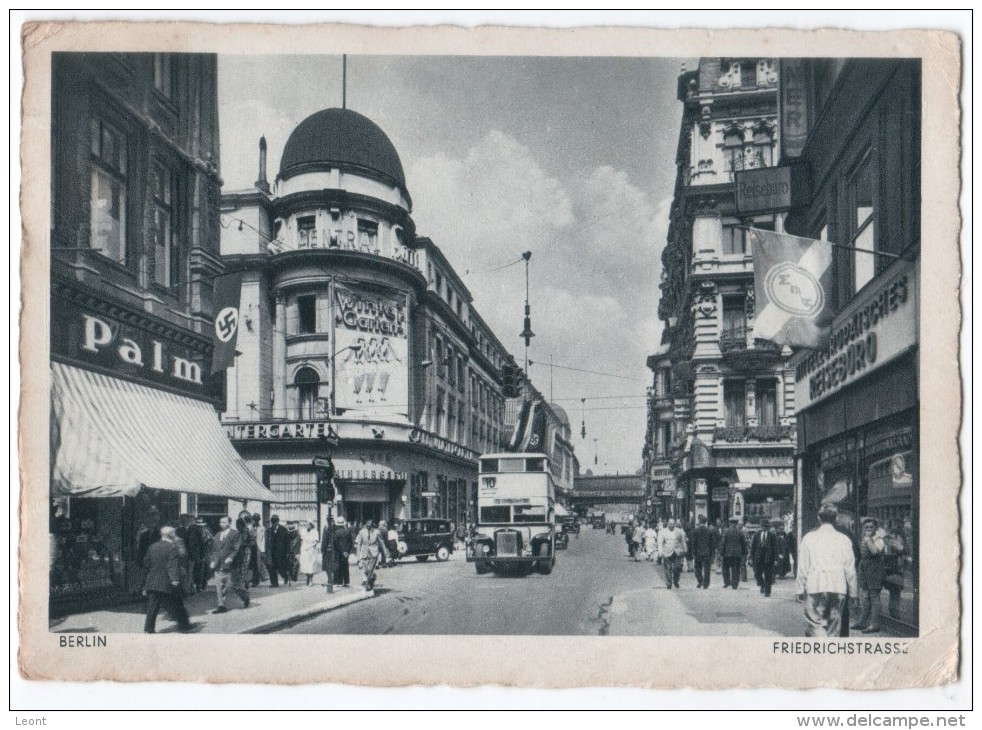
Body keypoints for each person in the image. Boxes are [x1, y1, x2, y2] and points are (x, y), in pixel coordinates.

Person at [796, 505, 859, 637]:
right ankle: (831, 652)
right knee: (834, 625)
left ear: (819, 518)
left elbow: (803, 566)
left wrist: (800, 589)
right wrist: (853, 592)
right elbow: (850, 569)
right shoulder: (844, 539)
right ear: (836, 518)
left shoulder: (809, 538)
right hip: (838, 587)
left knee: (815, 624)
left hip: (815, 586)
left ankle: (821, 652)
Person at [142, 526, 193, 634]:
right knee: (178, 604)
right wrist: (174, 579)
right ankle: (185, 627)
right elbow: (172, 565)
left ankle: (148, 629)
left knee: (153, 606)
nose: (175, 535)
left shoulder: (153, 546)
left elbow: (146, 562)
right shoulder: (172, 548)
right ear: (171, 535)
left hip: (153, 581)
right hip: (167, 581)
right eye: (174, 533)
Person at [851, 517, 887, 633]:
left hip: (875, 569)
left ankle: (874, 624)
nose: (868, 529)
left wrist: (867, 540)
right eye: (866, 527)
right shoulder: (866, 538)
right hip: (865, 568)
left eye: (871, 527)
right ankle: (862, 622)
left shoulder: (879, 539)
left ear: (876, 528)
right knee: (865, 596)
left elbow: (875, 551)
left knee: (874, 597)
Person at [208, 515, 249, 613]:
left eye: (224, 522)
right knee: (219, 585)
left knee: (233, 585)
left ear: (229, 523)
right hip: (219, 564)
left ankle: (245, 597)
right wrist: (213, 561)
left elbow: (236, 548)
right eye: (220, 522)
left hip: (232, 565)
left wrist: (231, 557)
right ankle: (221, 606)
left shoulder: (235, 534)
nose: (221, 524)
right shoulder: (217, 535)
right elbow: (214, 550)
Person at [355, 519, 391, 591]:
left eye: (370, 525)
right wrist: (358, 556)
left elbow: (382, 543)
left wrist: (387, 556)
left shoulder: (377, 532)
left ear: (372, 525)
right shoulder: (362, 532)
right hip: (365, 552)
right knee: (365, 570)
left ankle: (367, 584)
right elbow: (359, 545)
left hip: (374, 552)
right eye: (367, 524)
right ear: (366, 524)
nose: (368, 526)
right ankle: (372, 578)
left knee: (370, 569)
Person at [751, 520, 781, 597]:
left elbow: (776, 548)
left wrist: (776, 559)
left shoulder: (772, 536)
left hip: (769, 559)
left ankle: (767, 592)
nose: (764, 528)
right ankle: (762, 584)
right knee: (757, 574)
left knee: (768, 575)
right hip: (758, 558)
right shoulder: (757, 535)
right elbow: (753, 547)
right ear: (761, 527)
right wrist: (751, 557)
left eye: (766, 526)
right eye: (763, 526)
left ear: (768, 527)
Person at [658, 518, 688, 589]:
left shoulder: (679, 531)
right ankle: (669, 582)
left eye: (673, 524)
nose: (672, 525)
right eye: (670, 524)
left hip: (677, 552)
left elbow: (683, 541)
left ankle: (676, 581)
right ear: (668, 524)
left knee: (677, 568)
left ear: (675, 524)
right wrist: (660, 552)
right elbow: (660, 543)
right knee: (668, 568)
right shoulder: (662, 532)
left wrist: (685, 549)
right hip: (667, 552)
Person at [719, 517, 748, 590]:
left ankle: (727, 582)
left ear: (730, 523)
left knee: (725, 568)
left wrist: (721, 553)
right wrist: (744, 553)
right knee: (736, 569)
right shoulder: (740, 532)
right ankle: (734, 584)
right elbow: (743, 544)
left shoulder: (726, 532)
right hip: (737, 554)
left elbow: (723, 543)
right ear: (737, 524)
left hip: (727, 554)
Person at [187, 517, 213, 592]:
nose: (200, 527)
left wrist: (207, 542)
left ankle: (201, 585)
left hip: (203, 553)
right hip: (195, 554)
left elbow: (212, 540)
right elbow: (189, 543)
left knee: (203, 570)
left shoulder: (205, 531)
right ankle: (196, 586)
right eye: (198, 525)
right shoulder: (192, 531)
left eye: (200, 525)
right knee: (196, 570)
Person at [691, 515, 716, 589]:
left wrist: (693, 552)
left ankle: (700, 581)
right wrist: (712, 554)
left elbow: (694, 543)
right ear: (705, 522)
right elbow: (712, 544)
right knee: (707, 569)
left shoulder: (695, 531)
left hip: (698, 553)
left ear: (699, 521)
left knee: (697, 568)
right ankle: (706, 583)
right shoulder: (709, 531)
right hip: (707, 552)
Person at [266, 515, 291, 587]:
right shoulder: (268, 530)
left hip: (281, 553)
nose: (273, 523)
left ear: (278, 521)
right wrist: (266, 552)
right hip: (272, 553)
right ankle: (274, 583)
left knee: (281, 568)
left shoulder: (284, 530)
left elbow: (288, 542)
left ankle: (285, 576)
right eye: (272, 522)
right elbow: (266, 543)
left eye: (274, 521)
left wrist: (287, 552)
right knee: (272, 567)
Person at [298, 520, 321, 586]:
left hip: (312, 550)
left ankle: (310, 579)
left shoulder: (315, 532)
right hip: (304, 549)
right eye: (306, 524)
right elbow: (302, 540)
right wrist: (303, 548)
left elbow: (316, 541)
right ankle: (307, 577)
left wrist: (311, 546)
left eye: (308, 524)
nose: (307, 526)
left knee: (311, 565)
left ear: (311, 525)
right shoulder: (303, 531)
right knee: (305, 564)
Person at [251, 513, 269, 587]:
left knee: (258, 564)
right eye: (254, 520)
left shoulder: (262, 528)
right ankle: (254, 579)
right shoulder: (250, 527)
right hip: (251, 548)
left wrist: (263, 551)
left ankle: (256, 581)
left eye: (257, 520)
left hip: (258, 548)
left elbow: (264, 540)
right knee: (252, 564)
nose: (255, 521)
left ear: (258, 520)